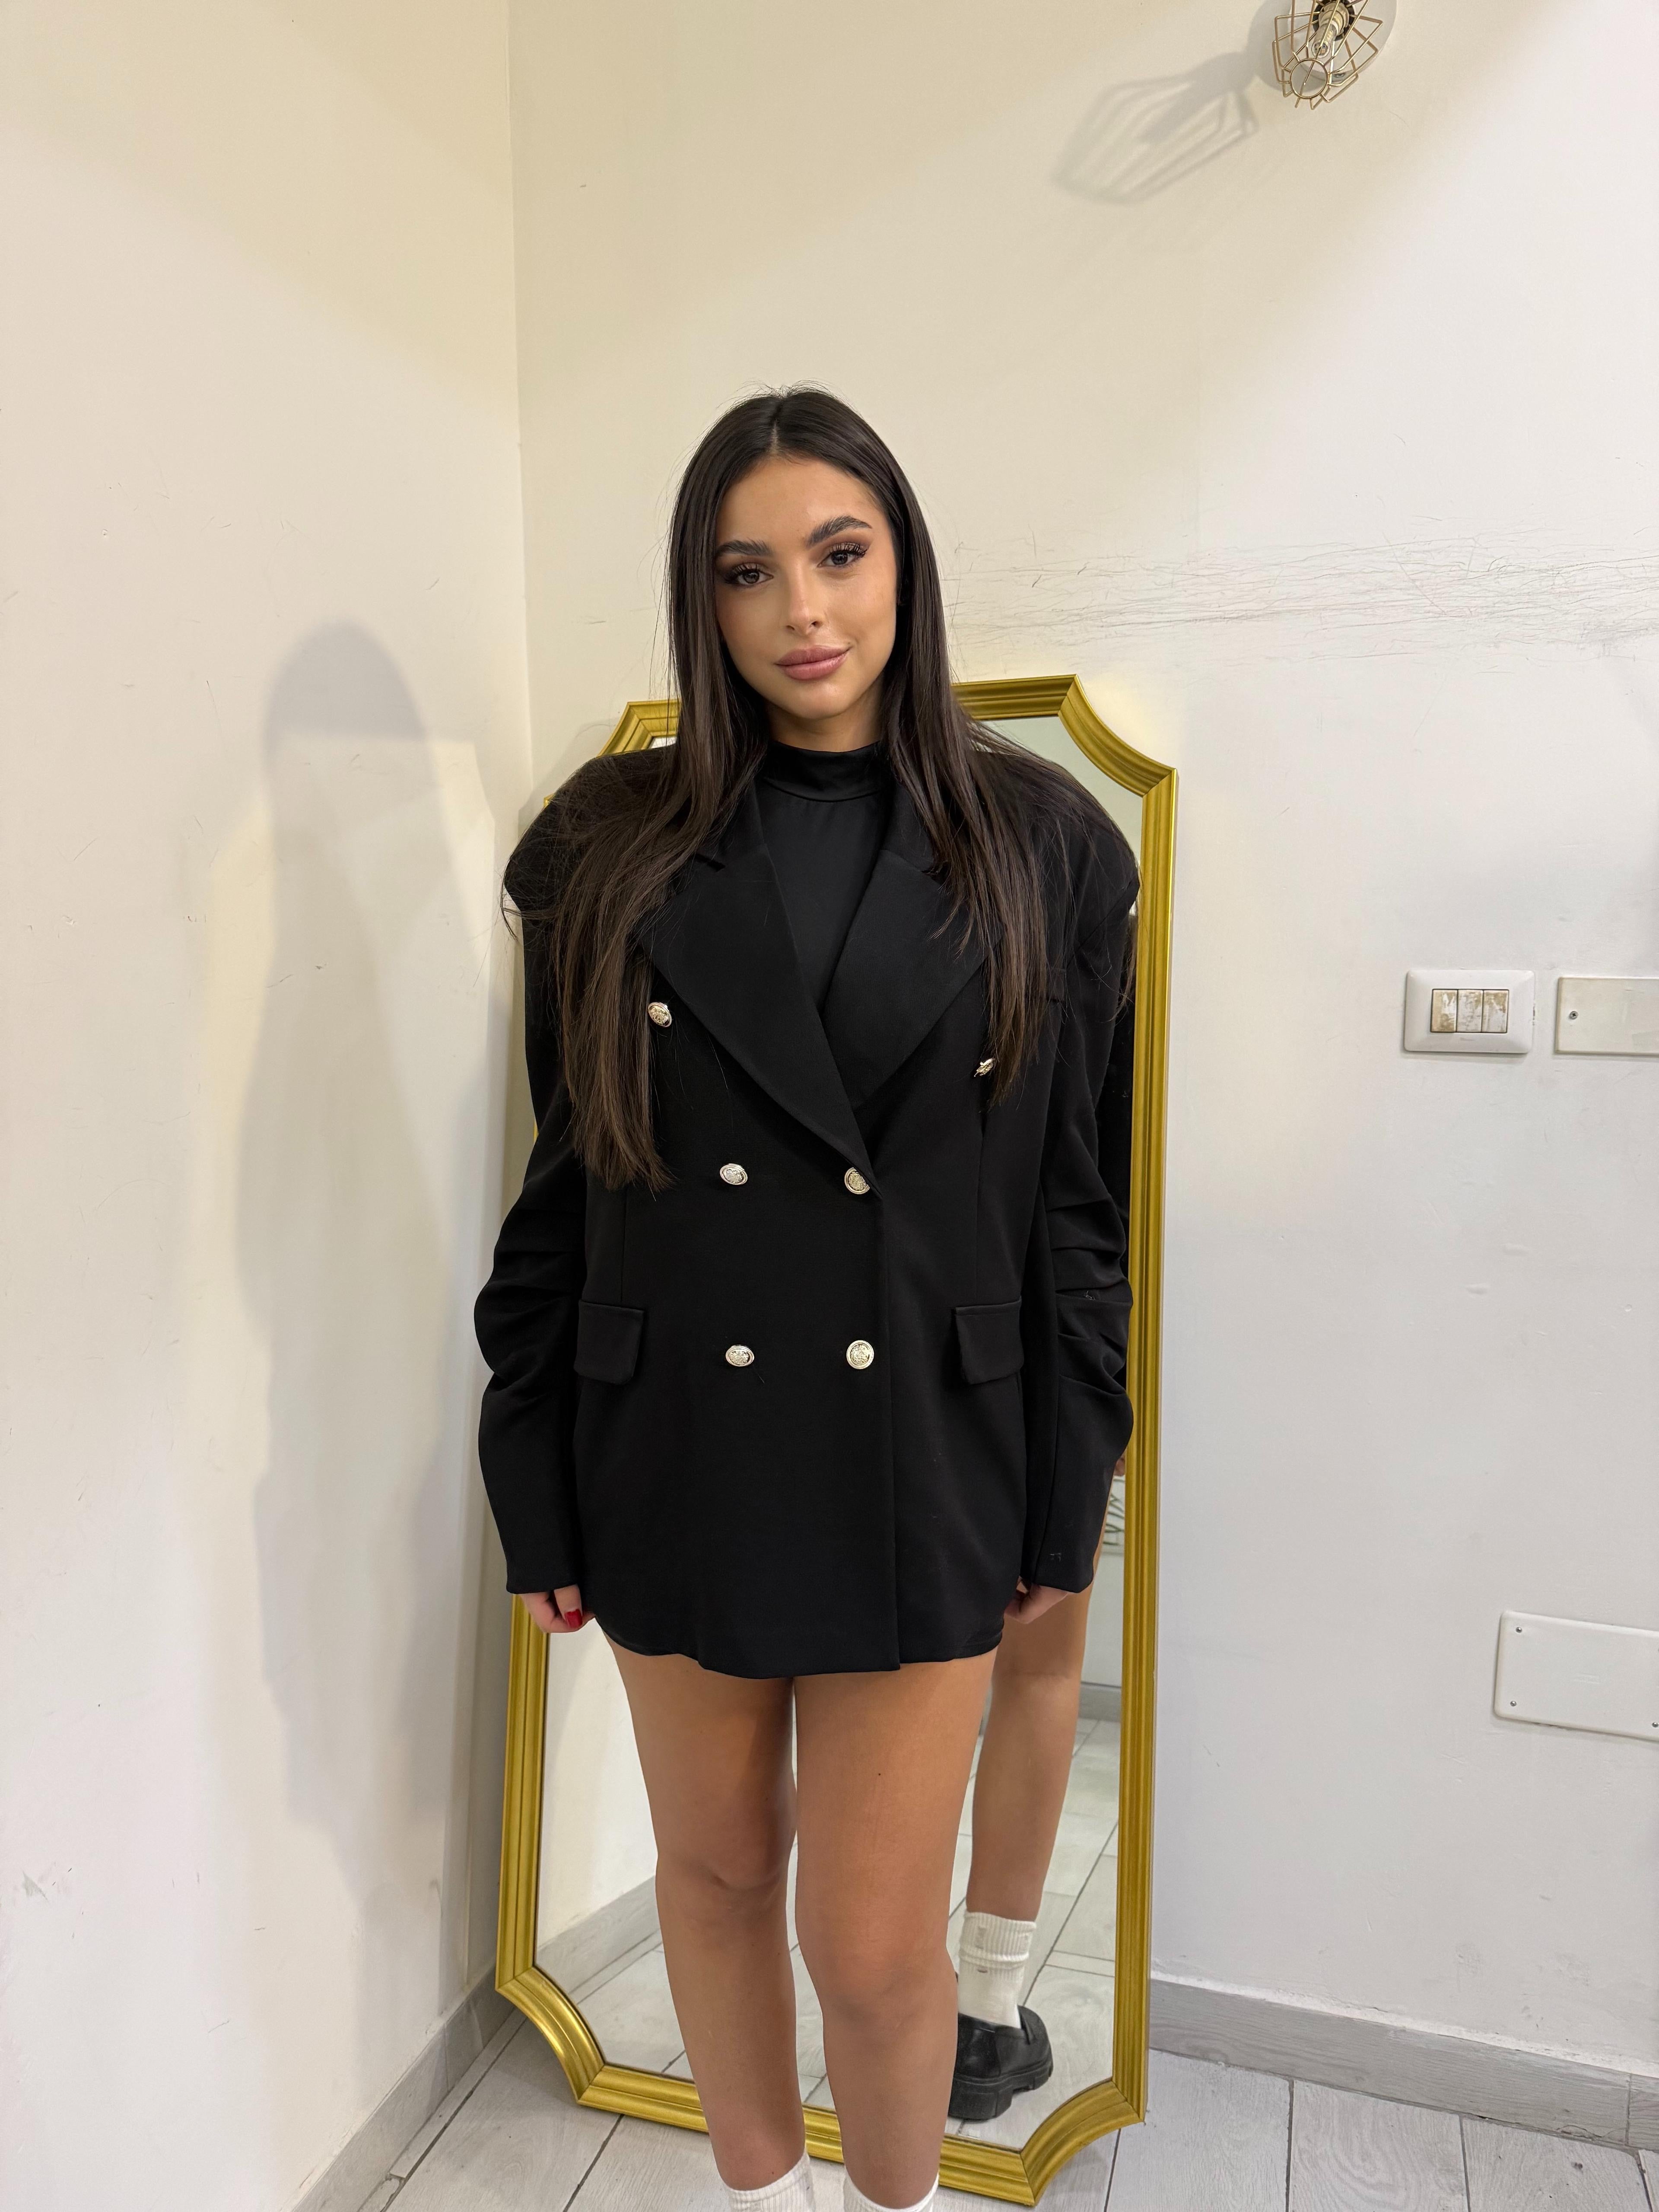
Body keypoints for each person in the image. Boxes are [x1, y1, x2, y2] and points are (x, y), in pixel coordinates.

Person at [473, 388, 1137, 2212]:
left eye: (839, 553)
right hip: (673, 1433)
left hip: (924, 1448)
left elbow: (1075, 1220)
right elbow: (563, 1186)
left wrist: (1067, 1493)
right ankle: (758, 2192)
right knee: (708, 1876)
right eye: (746, 571)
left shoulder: (1045, 844)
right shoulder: (606, 841)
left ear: (903, 558)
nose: (802, 610)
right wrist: (531, 1477)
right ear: (703, 600)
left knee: (872, 1939)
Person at [951, 962, 1134, 2124]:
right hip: (1068, 1311)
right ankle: (982, 2008)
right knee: (1042, 1665)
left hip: (977, 1303)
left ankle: (964, 2001)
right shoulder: (1095, 911)